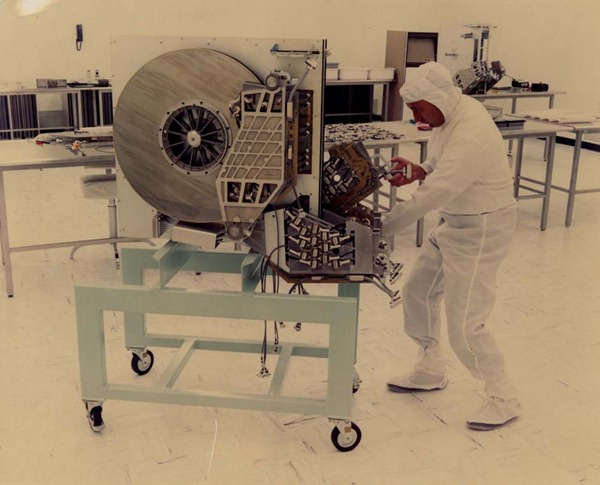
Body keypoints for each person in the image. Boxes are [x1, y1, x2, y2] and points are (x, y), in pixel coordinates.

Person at [382, 62, 520, 431]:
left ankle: (502, 396)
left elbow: (435, 193)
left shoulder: (471, 130)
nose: (415, 117)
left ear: (439, 98)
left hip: (482, 227)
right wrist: (420, 168)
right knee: (418, 292)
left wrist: (381, 228)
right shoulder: (450, 115)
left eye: (418, 108)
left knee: (465, 321)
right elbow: (441, 167)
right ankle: (430, 368)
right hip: (455, 220)